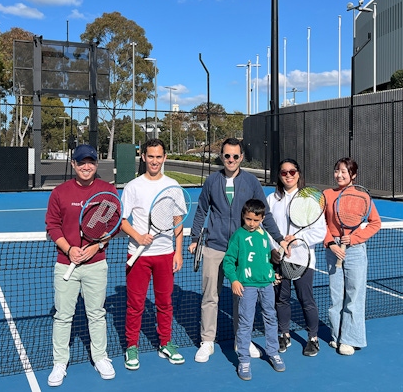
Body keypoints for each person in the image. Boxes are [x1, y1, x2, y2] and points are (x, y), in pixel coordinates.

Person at [189, 138, 289, 363]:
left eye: (235, 156)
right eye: (227, 156)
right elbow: (201, 211)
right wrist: (195, 238)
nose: (231, 160)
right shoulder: (212, 181)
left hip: (243, 251)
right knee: (210, 296)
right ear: (221, 157)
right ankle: (207, 341)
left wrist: (280, 239)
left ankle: (240, 340)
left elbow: (265, 215)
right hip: (214, 247)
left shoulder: (251, 181)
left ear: (241, 157)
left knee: (241, 297)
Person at [45, 144, 118, 386]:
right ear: (74, 165)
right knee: (63, 316)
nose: (86, 166)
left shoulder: (108, 190)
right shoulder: (59, 193)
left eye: (91, 162)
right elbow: (53, 226)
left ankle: (100, 357)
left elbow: (113, 225)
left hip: (96, 264)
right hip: (65, 263)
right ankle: (59, 362)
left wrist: (97, 246)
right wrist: (70, 249)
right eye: (81, 162)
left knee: (96, 314)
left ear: (96, 164)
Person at [120, 139, 185, 370]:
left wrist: (178, 252)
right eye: (151, 156)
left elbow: (178, 221)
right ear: (144, 157)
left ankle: (165, 343)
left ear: (164, 158)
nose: (155, 161)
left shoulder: (173, 186)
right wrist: (137, 236)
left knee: (165, 303)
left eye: (159, 157)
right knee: (135, 304)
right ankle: (131, 346)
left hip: (165, 255)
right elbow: (122, 221)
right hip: (138, 257)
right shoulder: (133, 186)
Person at [266, 159, 326, 357]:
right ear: (279, 176)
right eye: (284, 172)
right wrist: (272, 250)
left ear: (298, 174)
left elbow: (319, 232)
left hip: (302, 260)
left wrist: (297, 241)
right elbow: (265, 229)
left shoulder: (309, 200)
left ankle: (313, 339)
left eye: (292, 171)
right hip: (278, 259)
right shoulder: (272, 200)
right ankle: (284, 334)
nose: (288, 175)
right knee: (281, 300)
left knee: (305, 299)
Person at [323, 157, 381, 356]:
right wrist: (331, 243)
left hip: (355, 251)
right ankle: (336, 335)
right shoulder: (327, 195)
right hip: (333, 251)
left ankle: (349, 339)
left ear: (353, 176)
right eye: (337, 170)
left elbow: (375, 223)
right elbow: (320, 224)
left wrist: (354, 239)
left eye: (344, 172)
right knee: (336, 296)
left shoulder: (362, 197)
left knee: (354, 295)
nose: (339, 175)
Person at [223, 199, 285, 381]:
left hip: (266, 285)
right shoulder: (238, 236)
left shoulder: (264, 235)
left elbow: (265, 258)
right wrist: (234, 280)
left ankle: (273, 352)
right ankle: (243, 359)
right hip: (247, 286)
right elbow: (228, 261)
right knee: (245, 322)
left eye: (256, 220)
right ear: (243, 216)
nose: (251, 223)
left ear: (262, 219)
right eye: (248, 219)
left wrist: (272, 273)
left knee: (271, 318)